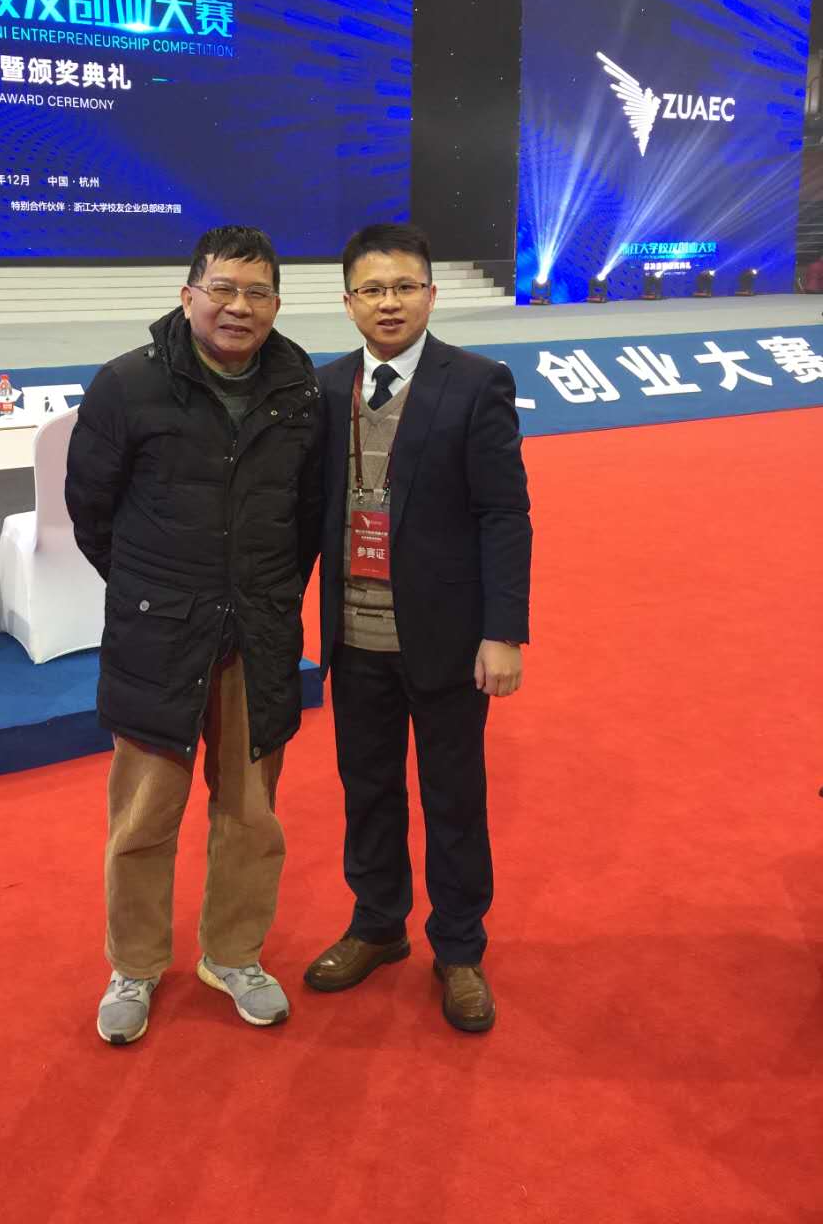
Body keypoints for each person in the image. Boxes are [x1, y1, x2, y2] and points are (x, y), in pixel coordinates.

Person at [65, 225, 322, 1045]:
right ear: (188, 296)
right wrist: (154, 591)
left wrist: (265, 594)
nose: (238, 307)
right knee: (143, 817)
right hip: (160, 636)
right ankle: (134, 965)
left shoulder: (299, 389)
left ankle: (233, 954)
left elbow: (305, 516)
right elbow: (90, 511)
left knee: (252, 816)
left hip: (259, 633)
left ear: (275, 304)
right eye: (223, 289)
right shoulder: (127, 385)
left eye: (257, 292)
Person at [304, 222, 531, 1032]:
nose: (389, 302)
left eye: (404, 286)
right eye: (372, 289)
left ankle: (460, 947)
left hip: (445, 637)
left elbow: (504, 513)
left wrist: (503, 631)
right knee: (367, 789)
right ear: (348, 303)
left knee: (453, 797)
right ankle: (377, 924)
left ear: (431, 295)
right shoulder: (324, 387)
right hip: (354, 637)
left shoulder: (476, 383)